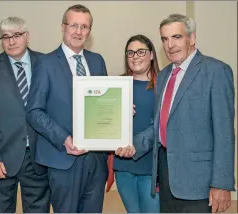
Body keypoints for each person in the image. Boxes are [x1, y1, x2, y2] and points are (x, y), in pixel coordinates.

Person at [118, 14, 235, 213]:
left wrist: (221, 183)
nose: (170, 45)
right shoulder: (163, 76)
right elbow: (160, 127)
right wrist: (132, 145)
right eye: (165, 39)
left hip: (198, 181)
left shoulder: (215, 71)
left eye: (176, 37)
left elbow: (224, 134)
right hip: (165, 177)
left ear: (192, 37)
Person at [26, 4, 109, 213]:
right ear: (63, 27)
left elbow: (104, 103)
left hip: (95, 160)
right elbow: (34, 111)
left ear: (89, 31)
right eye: (74, 25)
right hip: (63, 158)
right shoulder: (45, 63)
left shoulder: (97, 61)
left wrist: (120, 110)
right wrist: (65, 139)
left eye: (84, 27)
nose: (78, 31)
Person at [0, 17, 50, 213]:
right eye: (6, 36)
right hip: (1, 157)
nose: (11, 41)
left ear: (27, 36)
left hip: (38, 157)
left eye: (17, 35)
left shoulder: (45, 63)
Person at [113, 34, 160, 213]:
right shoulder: (116, 85)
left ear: (152, 55)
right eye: (130, 53)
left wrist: (137, 145)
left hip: (151, 166)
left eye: (141, 51)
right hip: (123, 164)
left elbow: (164, 124)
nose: (135, 56)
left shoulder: (163, 85)